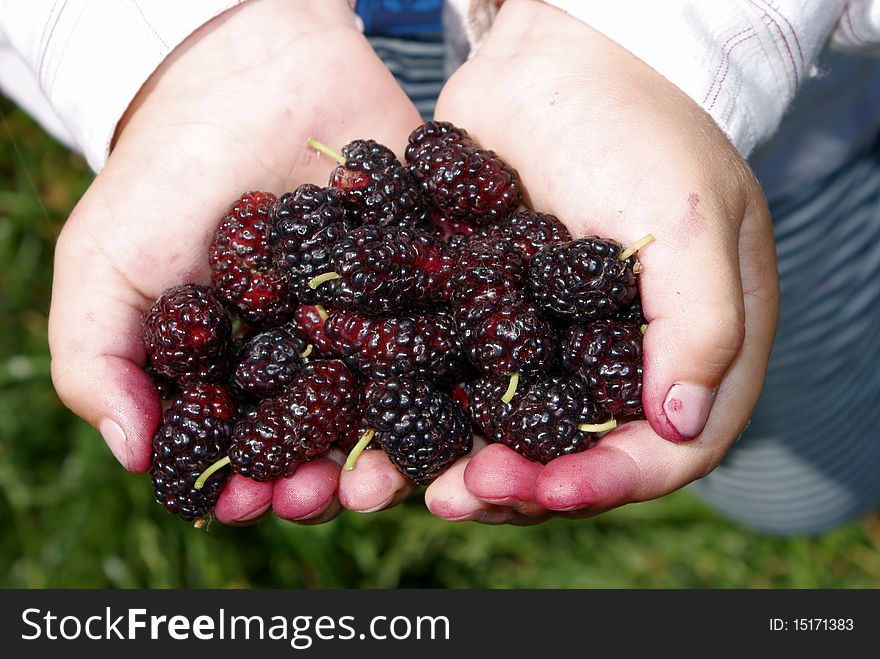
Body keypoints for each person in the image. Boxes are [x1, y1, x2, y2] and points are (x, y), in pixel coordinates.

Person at [1, 0, 877, 534]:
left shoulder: (468, 276)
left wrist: (647, 44)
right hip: (288, 43)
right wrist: (189, 47)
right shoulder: (358, 291)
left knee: (793, 458)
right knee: (783, 471)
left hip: (723, 110)